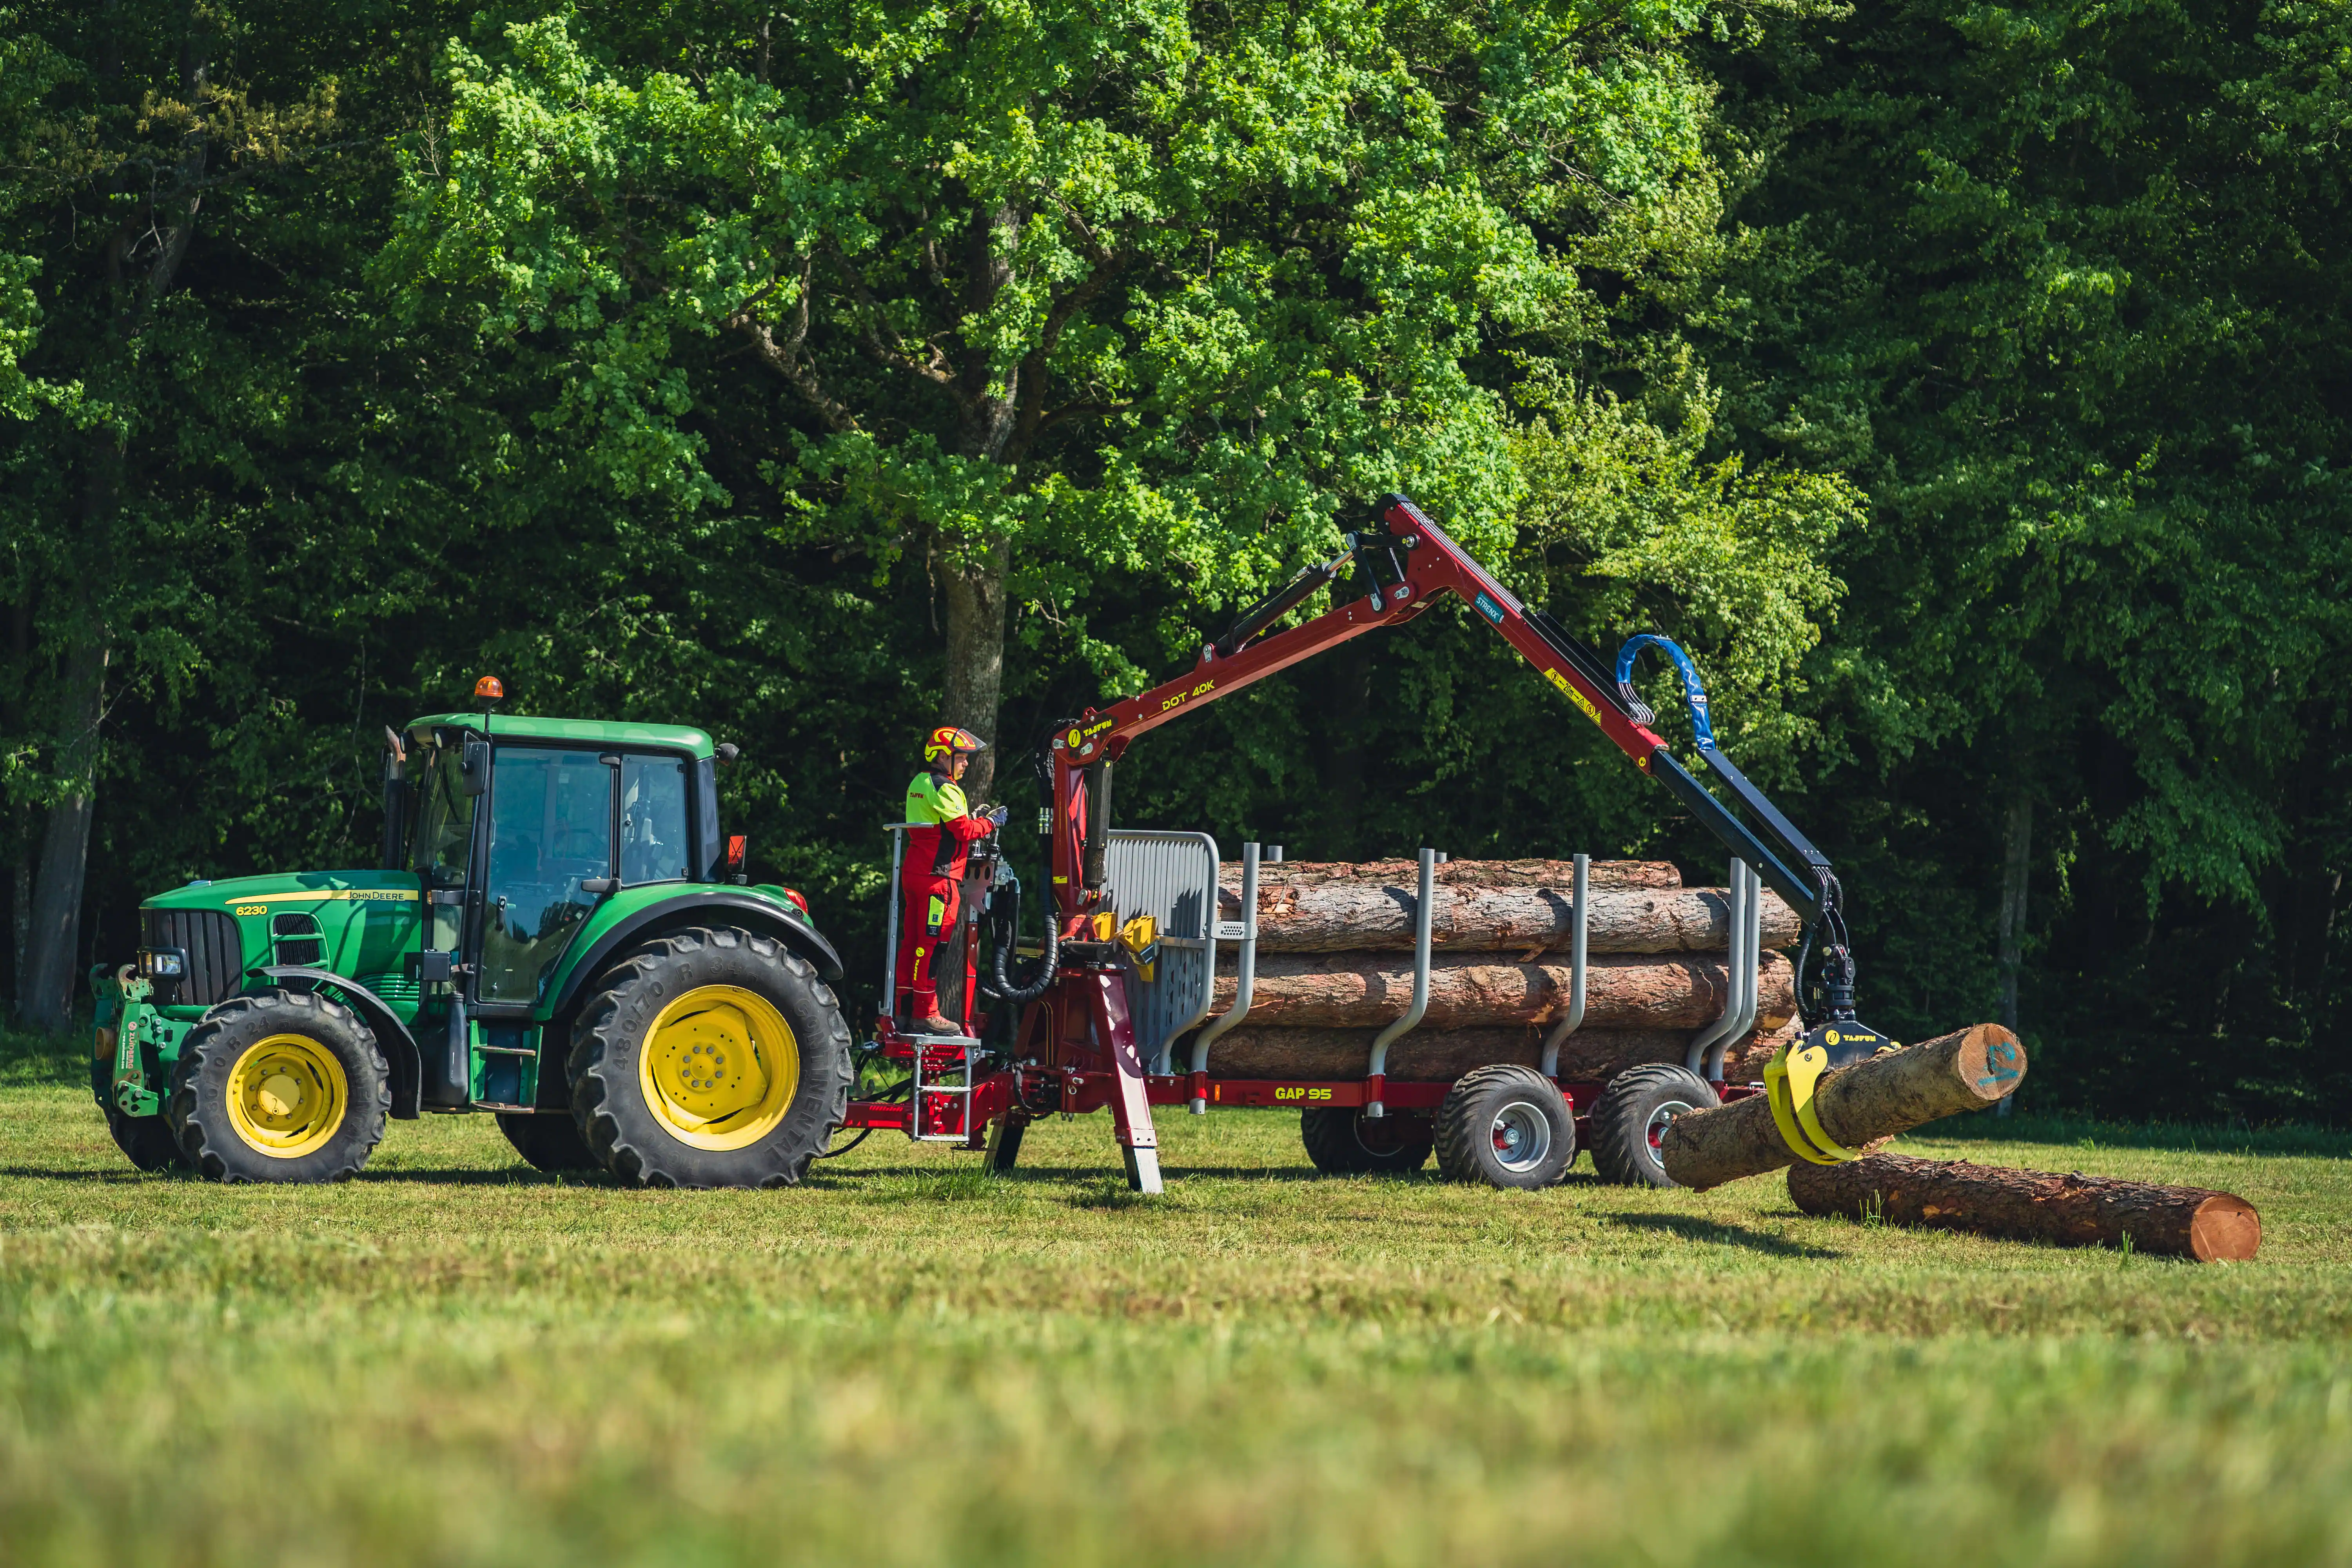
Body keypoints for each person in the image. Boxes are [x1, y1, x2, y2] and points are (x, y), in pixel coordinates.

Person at [895, 726, 1008, 1034]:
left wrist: (974, 819)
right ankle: (926, 1013)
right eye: (962, 758)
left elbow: (942, 826)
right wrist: (991, 821)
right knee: (931, 948)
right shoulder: (947, 788)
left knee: (912, 945)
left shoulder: (919, 782)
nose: (966, 764)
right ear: (945, 756)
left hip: (915, 873)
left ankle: (903, 1011)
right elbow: (963, 832)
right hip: (939, 880)